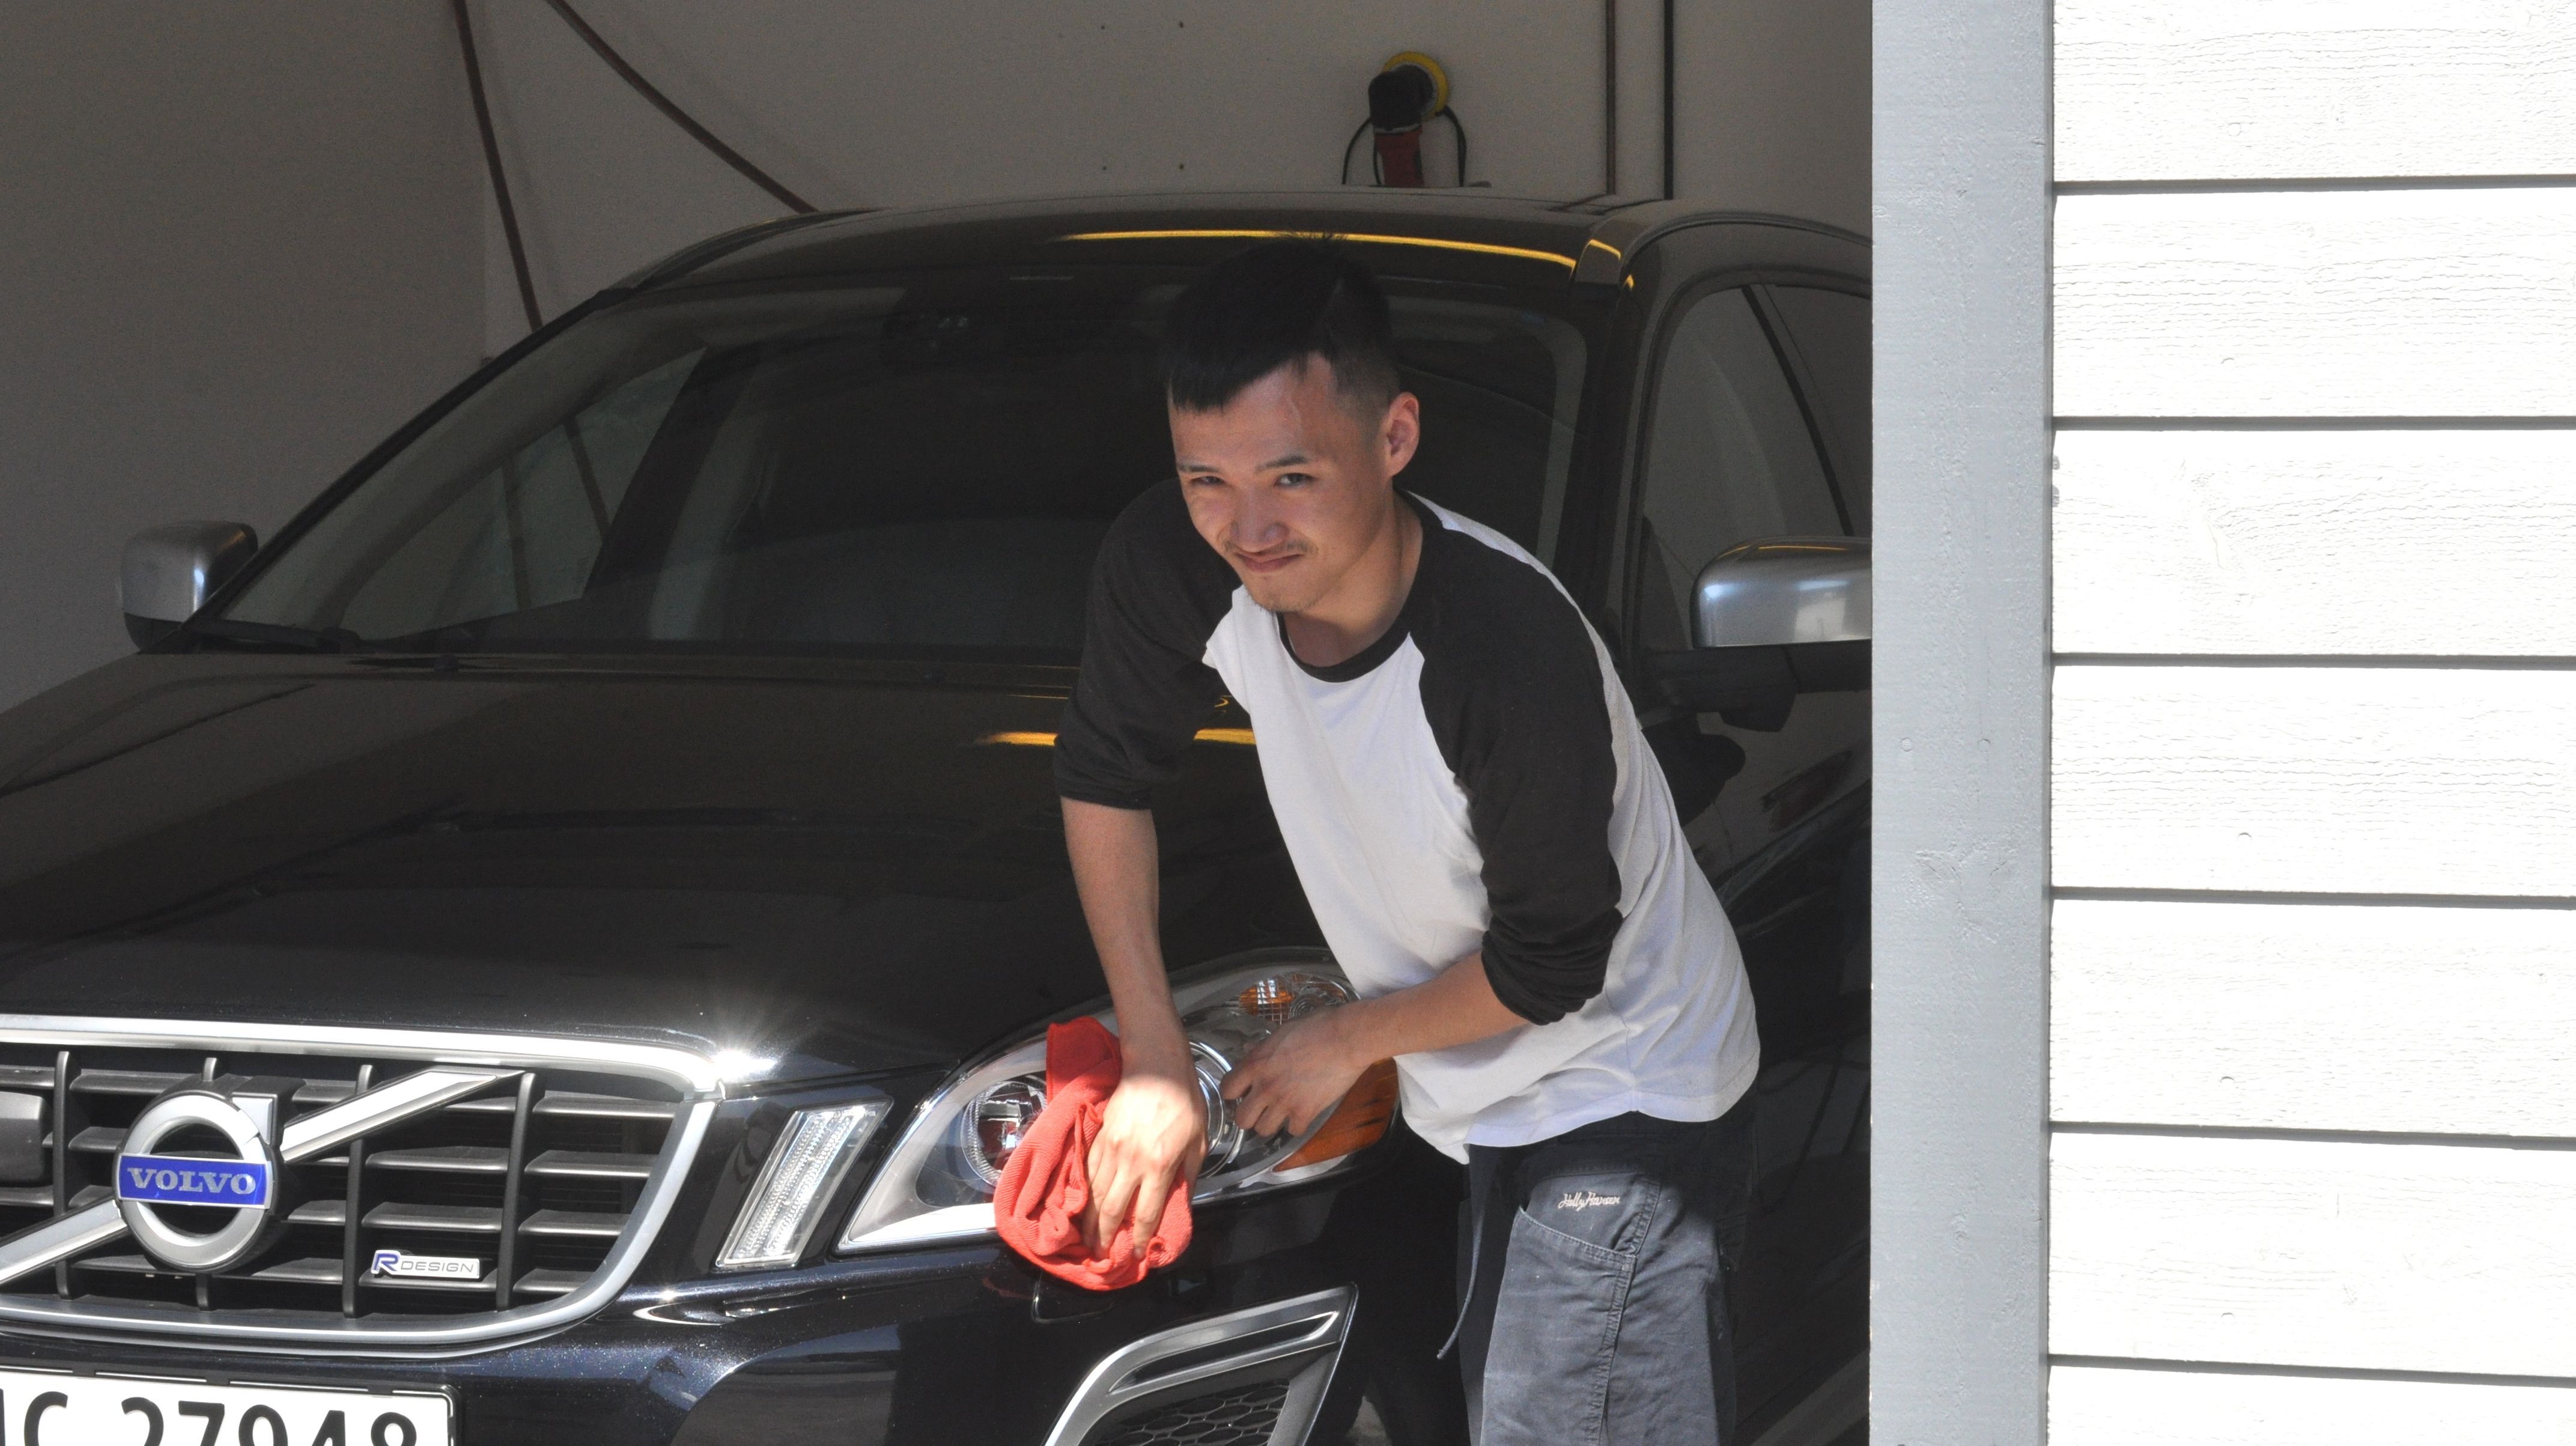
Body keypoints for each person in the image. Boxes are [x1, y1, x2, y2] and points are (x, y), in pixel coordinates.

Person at [1052, 240, 1762, 1444]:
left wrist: (1343, 1041)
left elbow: (1553, 964)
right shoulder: (1175, 558)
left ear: (1393, 438)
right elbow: (1101, 778)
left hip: (1625, 1076)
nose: (1247, 526)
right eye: (1206, 478)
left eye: (1290, 475)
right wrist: (1155, 1056)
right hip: (1472, 1086)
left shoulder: (1500, 654)